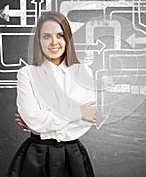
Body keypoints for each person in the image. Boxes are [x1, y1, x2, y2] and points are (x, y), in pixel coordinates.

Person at [8, 11, 97, 177]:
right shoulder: (26, 73)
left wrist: (42, 128)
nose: (54, 42)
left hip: (73, 156)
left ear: (67, 39)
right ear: (39, 41)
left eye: (60, 35)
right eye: (47, 36)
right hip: (36, 156)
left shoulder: (84, 73)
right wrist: (77, 112)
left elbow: (86, 121)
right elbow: (32, 118)